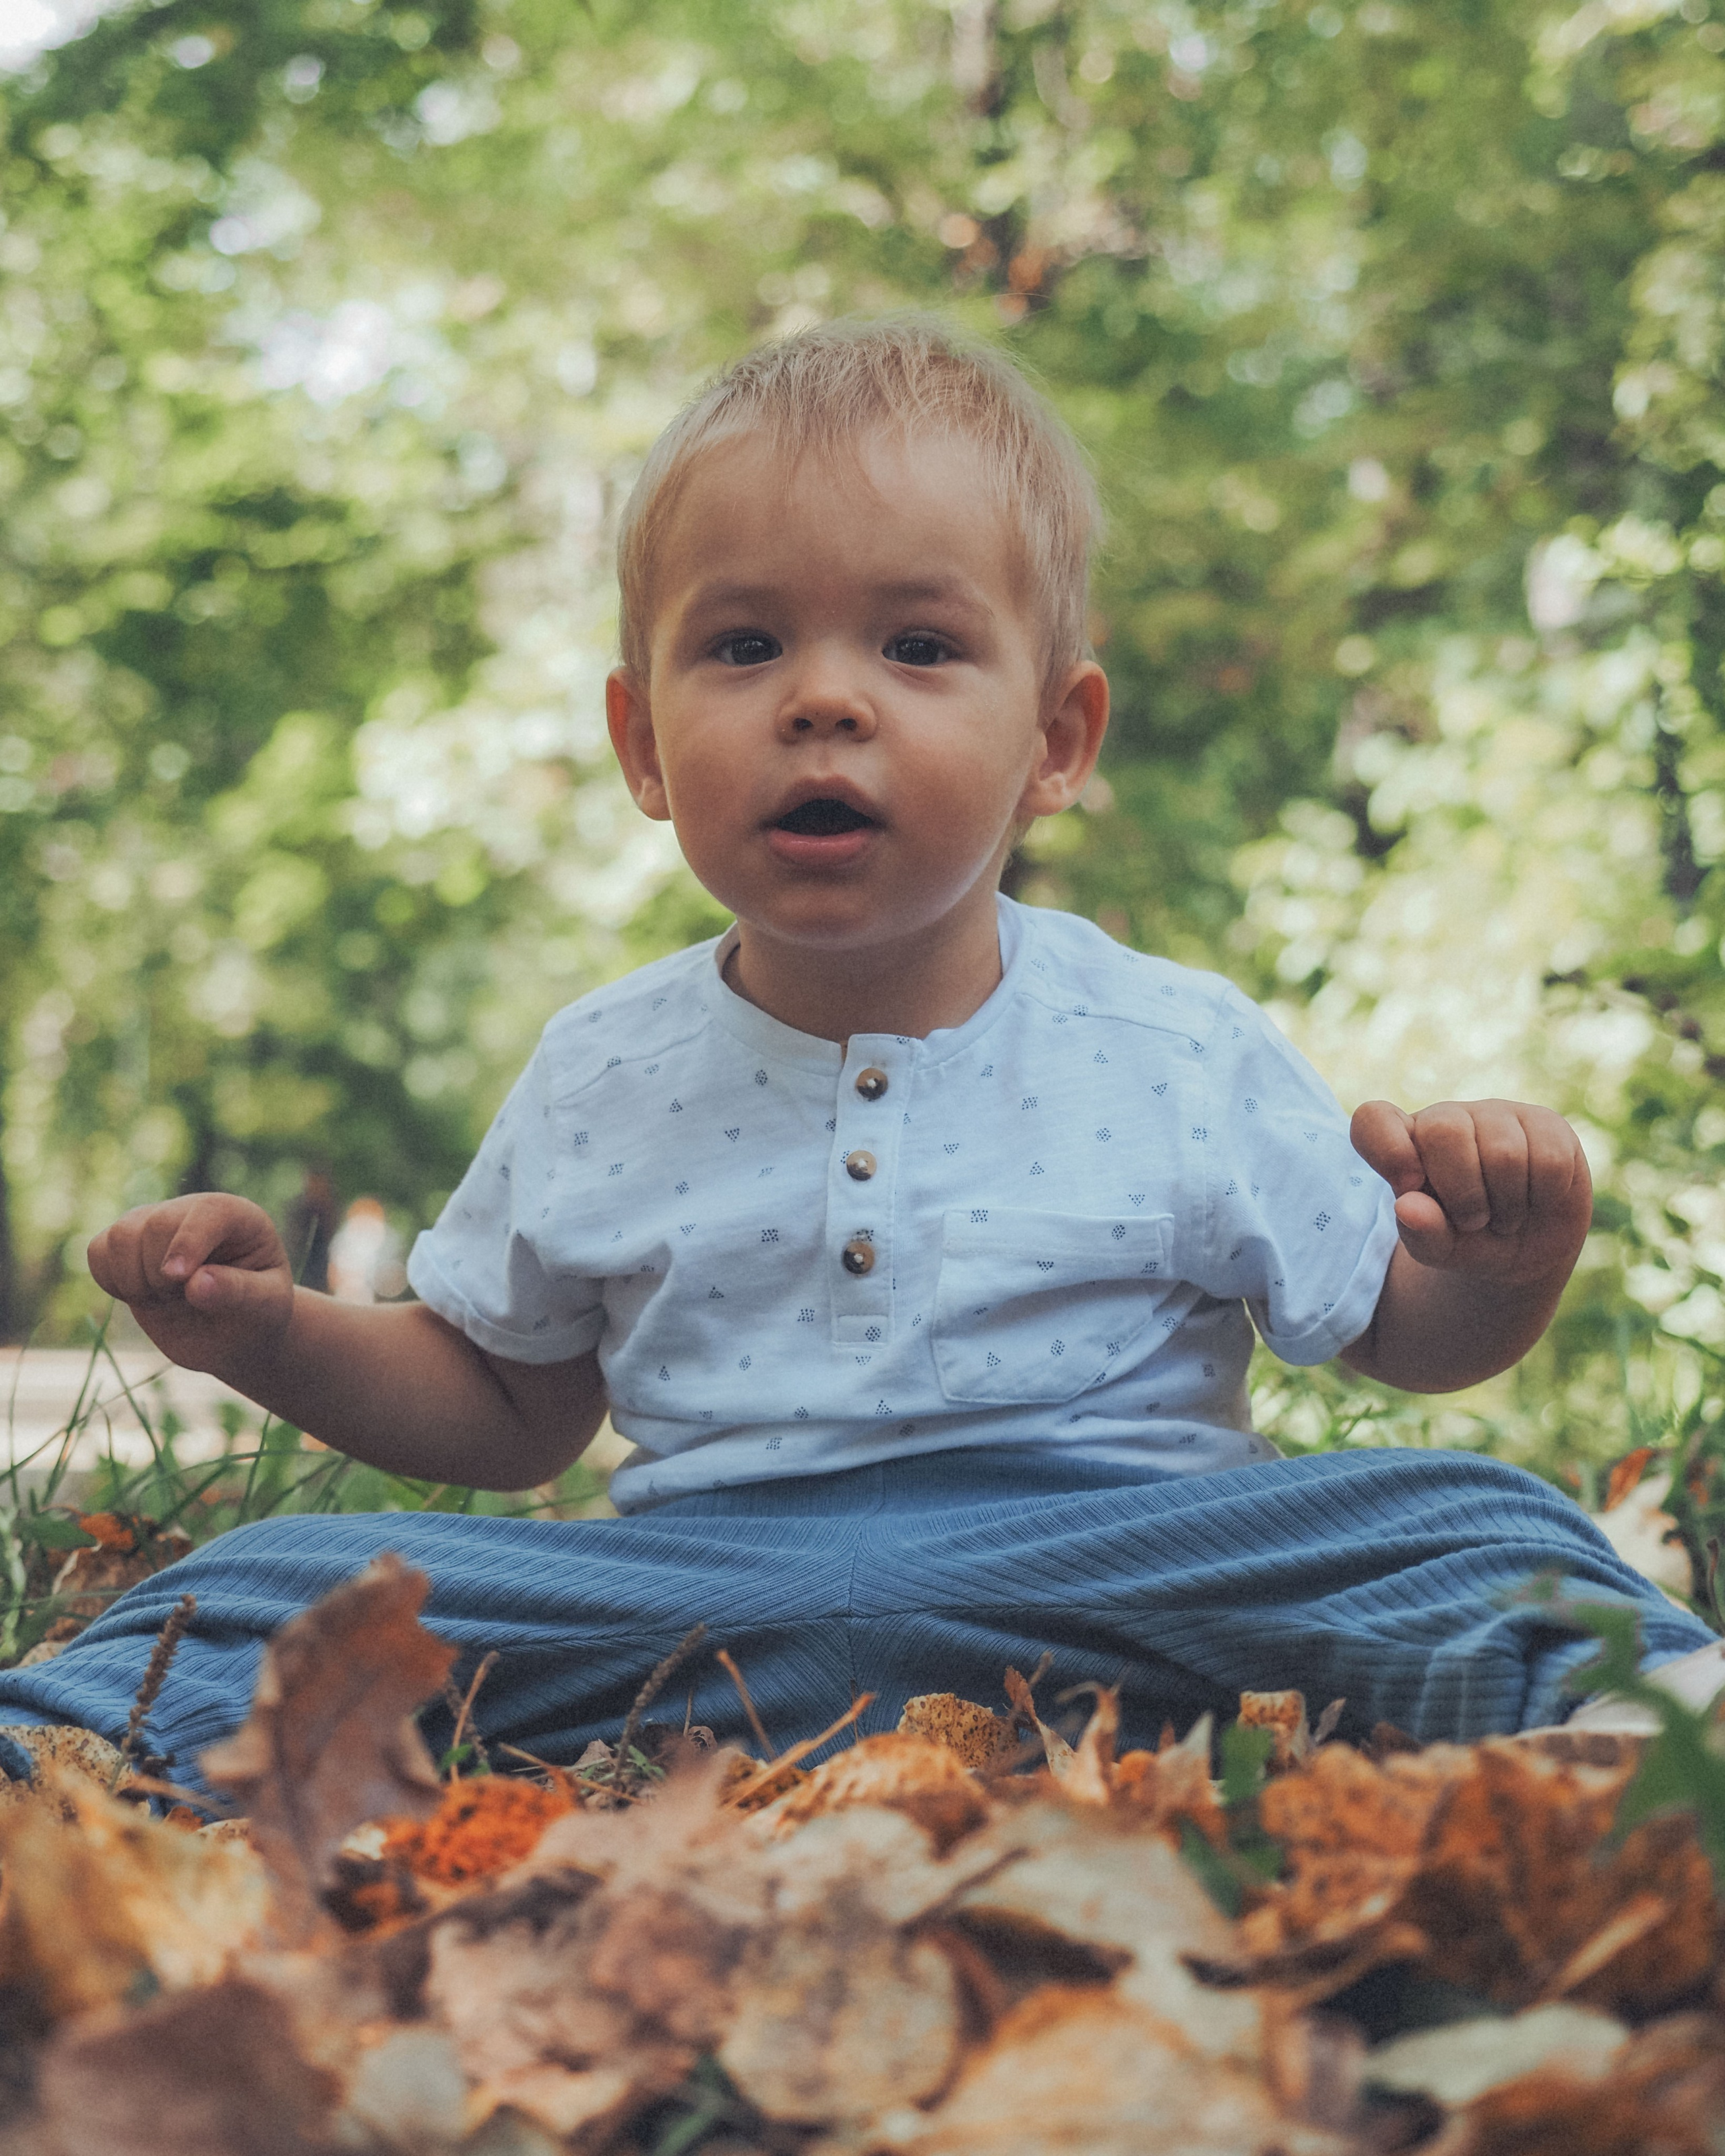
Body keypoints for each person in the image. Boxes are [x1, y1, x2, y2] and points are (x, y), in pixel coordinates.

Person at [3, 319, 1717, 1785]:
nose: (824, 700)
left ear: (1054, 737)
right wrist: (269, 1328)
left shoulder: (1174, 1044)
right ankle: (49, 1764)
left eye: (917, 645)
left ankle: (1659, 1739)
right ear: (641, 740)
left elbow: (1398, 1334)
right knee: (272, 1592)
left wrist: (1506, 1265)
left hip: (1128, 1576)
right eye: (743, 646)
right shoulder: (602, 1064)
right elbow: (511, 1405)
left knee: (1474, 1531)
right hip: (694, 1599)